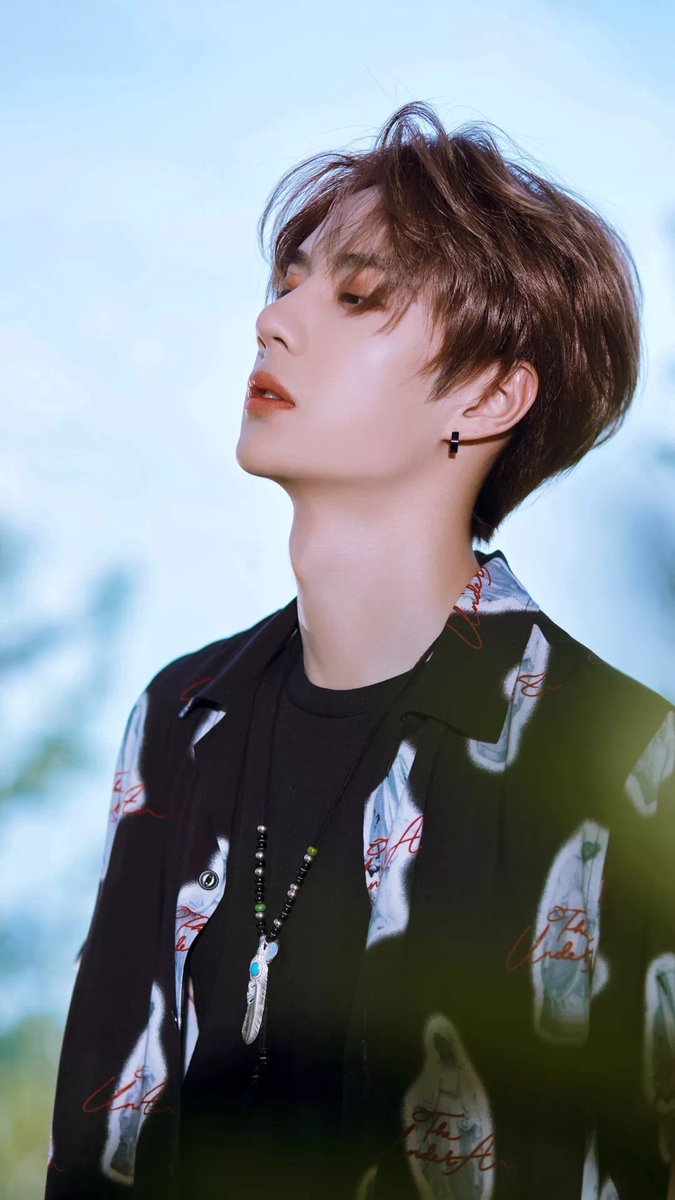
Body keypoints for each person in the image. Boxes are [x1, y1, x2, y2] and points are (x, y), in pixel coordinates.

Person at [45, 101, 675, 1199]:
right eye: (287, 281)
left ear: (489, 394)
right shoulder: (182, 717)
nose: (273, 320)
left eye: (358, 295)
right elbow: (99, 1149)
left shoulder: (624, 756)